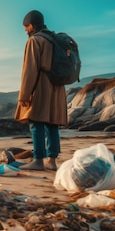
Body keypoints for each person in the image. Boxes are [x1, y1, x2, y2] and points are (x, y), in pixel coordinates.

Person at [15, 10, 67, 171]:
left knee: (36, 122)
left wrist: (24, 94)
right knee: (52, 123)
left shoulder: (35, 40)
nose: (25, 30)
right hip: (57, 86)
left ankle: (38, 160)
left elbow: (29, 70)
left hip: (41, 85)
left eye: (25, 27)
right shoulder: (55, 39)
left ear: (31, 25)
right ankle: (51, 161)